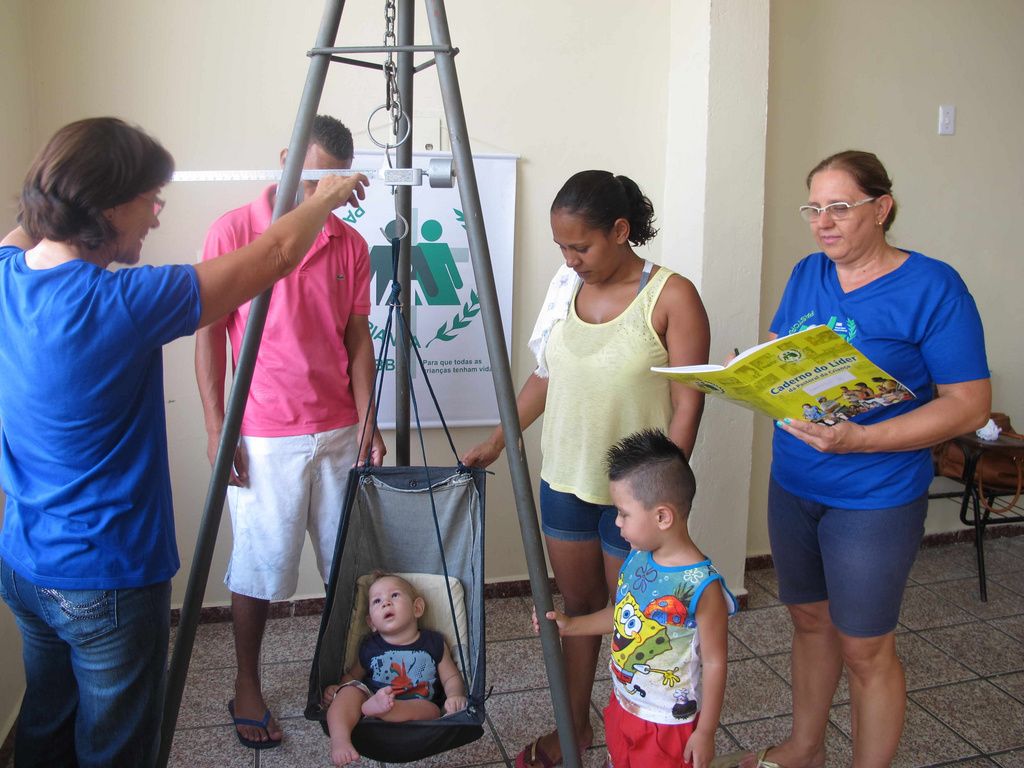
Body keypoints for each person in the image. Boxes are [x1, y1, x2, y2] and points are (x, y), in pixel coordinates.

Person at [0, 117, 367, 768]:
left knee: (45, 729)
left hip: (27, 565)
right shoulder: (123, 300)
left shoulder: (7, 273)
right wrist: (325, 196)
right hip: (106, 576)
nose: (157, 215)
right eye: (150, 199)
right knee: (116, 750)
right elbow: (275, 257)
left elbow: (27, 227)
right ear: (104, 207)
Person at [741, 150, 990, 768]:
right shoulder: (808, 272)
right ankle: (805, 749)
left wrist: (862, 440)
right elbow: (782, 349)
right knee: (809, 621)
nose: (822, 222)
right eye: (813, 208)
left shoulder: (933, 287)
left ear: (881, 209)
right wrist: (751, 370)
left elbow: (968, 405)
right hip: (794, 480)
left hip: (874, 494)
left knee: (865, 648)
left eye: (839, 207)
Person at [462, 170, 710, 767]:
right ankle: (572, 729)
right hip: (566, 482)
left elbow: (688, 403)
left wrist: (664, 498)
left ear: (621, 231)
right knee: (576, 612)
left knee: (635, 618)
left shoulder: (672, 296)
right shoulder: (565, 288)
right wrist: (498, 440)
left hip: (637, 497)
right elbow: (544, 376)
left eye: (581, 246)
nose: (570, 259)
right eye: (562, 247)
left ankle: (642, 736)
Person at [194, 114, 386, 749]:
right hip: (263, 433)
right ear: (285, 158)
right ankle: (247, 682)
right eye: (311, 181)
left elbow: (357, 337)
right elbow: (209, 334)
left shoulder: (349, 244)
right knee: (258, 567)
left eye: (330, 185)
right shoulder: (234, 231)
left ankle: (341, 674)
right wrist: (218, 428)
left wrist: (368, 418)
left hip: (337, 429)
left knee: (346, 566)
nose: (319, 195)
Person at [540, 429, 735, 768]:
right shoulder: (637, 558)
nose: (617, 522)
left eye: (623, 513)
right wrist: (571, 626)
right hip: (624, 705)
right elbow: (622, 615)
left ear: (662, 516)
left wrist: (705, 732)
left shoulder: (703, 587)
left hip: (669, 725)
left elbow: (716, 663)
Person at [321, 572, 468, 766]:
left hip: (417, 705)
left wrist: (455, 695)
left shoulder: (433, 642)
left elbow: (451, 677)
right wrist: (338, 689)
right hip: (372, 698)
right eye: (377, 601)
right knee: (349, 692)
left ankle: (385, 710)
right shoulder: (369, 646)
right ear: (371, 623)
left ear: (417, 608)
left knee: (432, 710)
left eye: (395, 595)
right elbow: (353, 675)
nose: (386, 603)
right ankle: (340, 740)